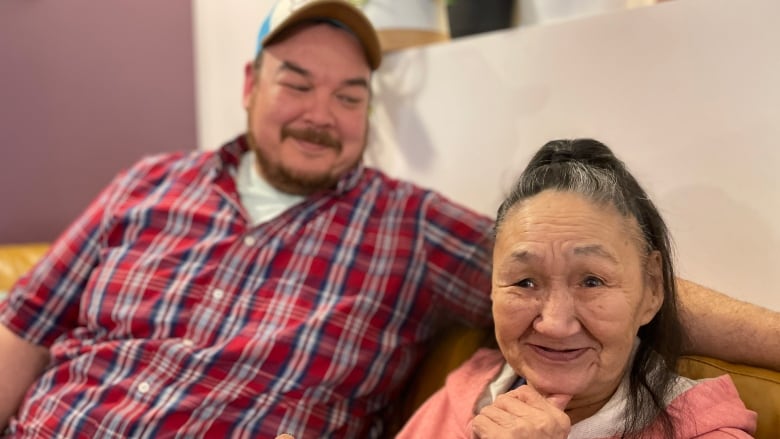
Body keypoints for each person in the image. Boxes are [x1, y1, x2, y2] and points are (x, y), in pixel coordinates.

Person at [0, 0, 776, 437]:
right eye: (296, 83)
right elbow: (24, 324)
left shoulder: (406, 225)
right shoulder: (145, 183)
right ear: (249, 85)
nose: (321, 114)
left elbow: (569, 264)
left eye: (350, 95)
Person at [397, 139, 757, 438]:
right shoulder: (466, 393)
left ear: (652, 290)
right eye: (525, 281)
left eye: (591, 281)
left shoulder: (706, 431)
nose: (554, 323)